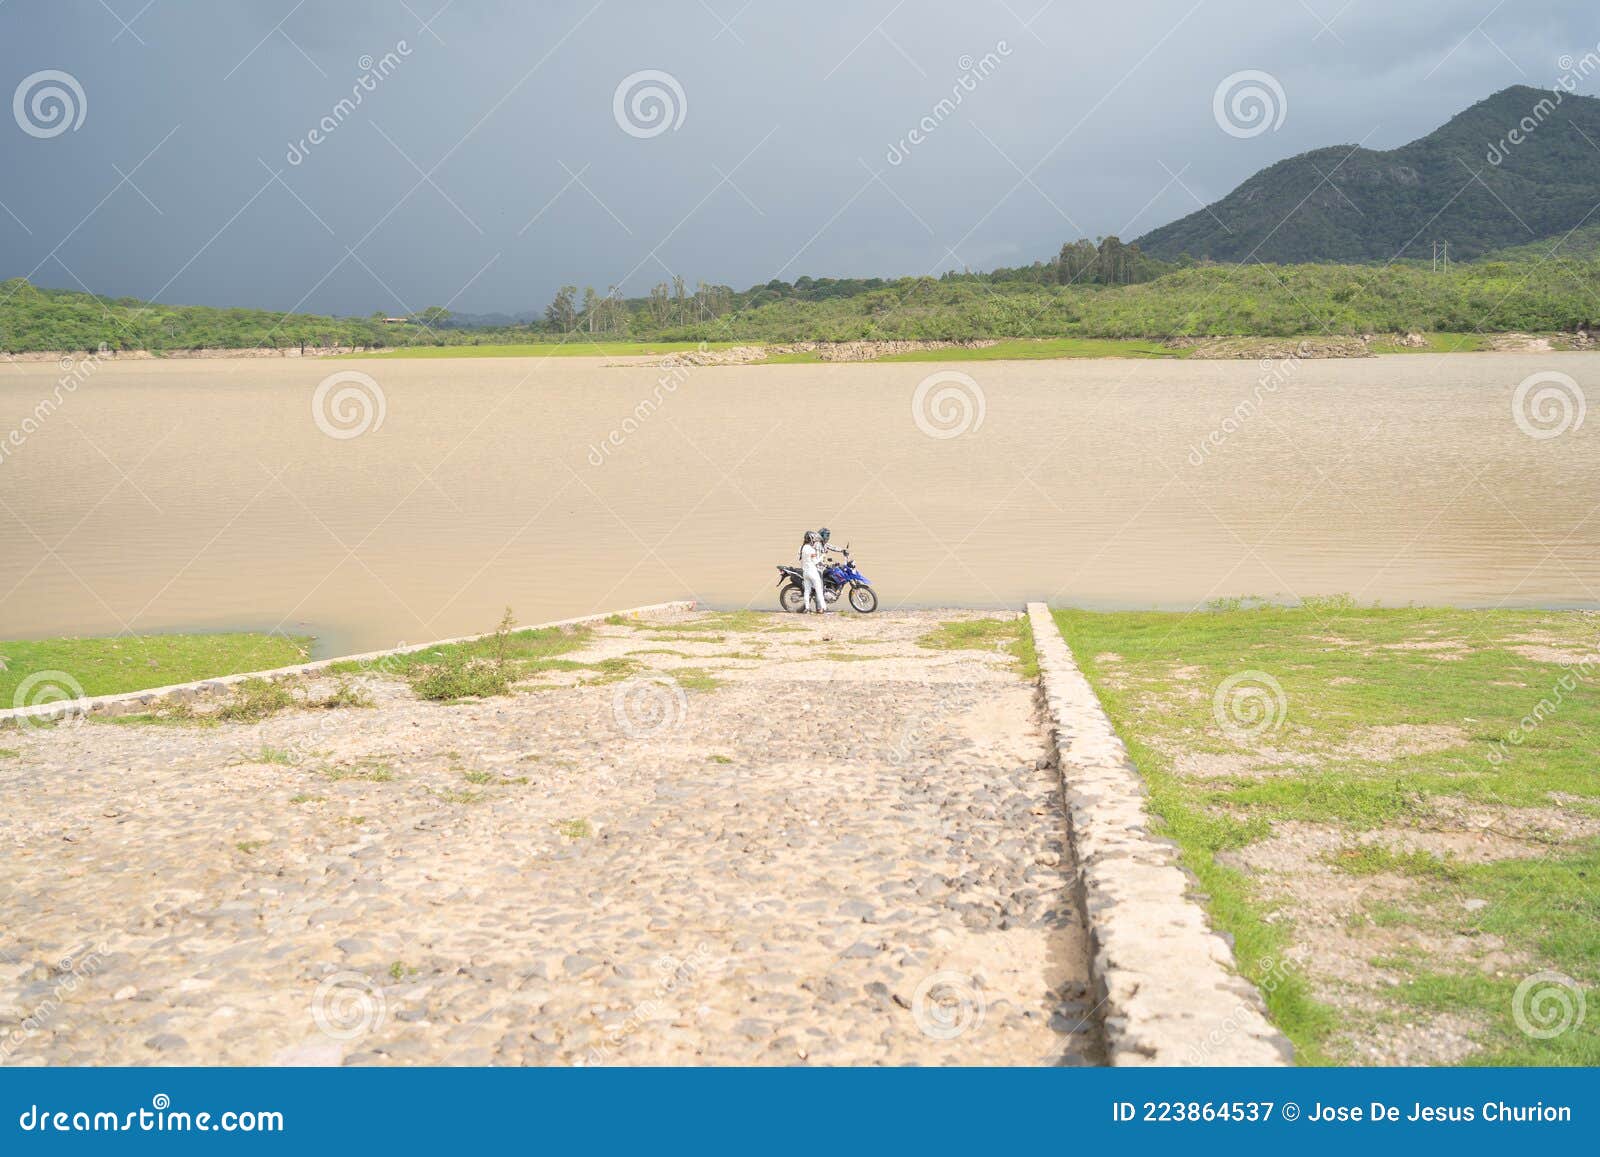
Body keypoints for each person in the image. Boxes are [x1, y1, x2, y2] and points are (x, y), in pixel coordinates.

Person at [799, 530, 828, 614]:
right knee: (819, 590)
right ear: (811, 539)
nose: (815, 541)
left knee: (807, 591)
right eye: (814, 539)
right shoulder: (811, 550)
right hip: (813, 572)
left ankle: (807, 608)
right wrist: (823, 555)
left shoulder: (803, 548)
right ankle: (824, 607)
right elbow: (816, 562)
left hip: (805, 572)